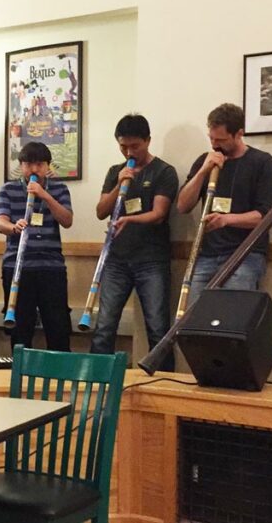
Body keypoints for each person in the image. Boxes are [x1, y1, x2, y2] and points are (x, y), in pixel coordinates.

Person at [89, 114, 179, 371]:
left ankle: (163, 389)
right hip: (116, 260)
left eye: (135, 146)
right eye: (123, 146)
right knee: (104, 326)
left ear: (148, 141)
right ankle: (97, 383)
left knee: (157, 326)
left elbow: (159, 213)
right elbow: (101, 211)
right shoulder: (114, 172)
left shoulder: (164, 171)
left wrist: (131, 220)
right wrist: (120, 185)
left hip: (151, 260)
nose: (129, 151)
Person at [175, 103, 272, 305]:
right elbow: (182, 206)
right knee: (192, 319)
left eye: (221, 140)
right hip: (206, 255)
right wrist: (202, 172)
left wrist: (226, 220)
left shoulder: (262, 163)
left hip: (244, 256)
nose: (215, 144)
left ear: (239, 134)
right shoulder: (205, 161)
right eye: (211, 138)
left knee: (232, 318)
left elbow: (266, 216)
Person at [0, 141, 74, 351]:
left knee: (58, 326)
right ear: (21, 165)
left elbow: (67, 220)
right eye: (28, 164)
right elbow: (1, 223)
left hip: (51, 267)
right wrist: (14, 227)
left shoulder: (60, 188)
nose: (34, 170)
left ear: (48, 166)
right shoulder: (8, 189)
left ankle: (59, 378)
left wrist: (45, 195)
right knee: (21, 328)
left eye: (39, 164)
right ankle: (21, 378)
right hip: (18, 266)